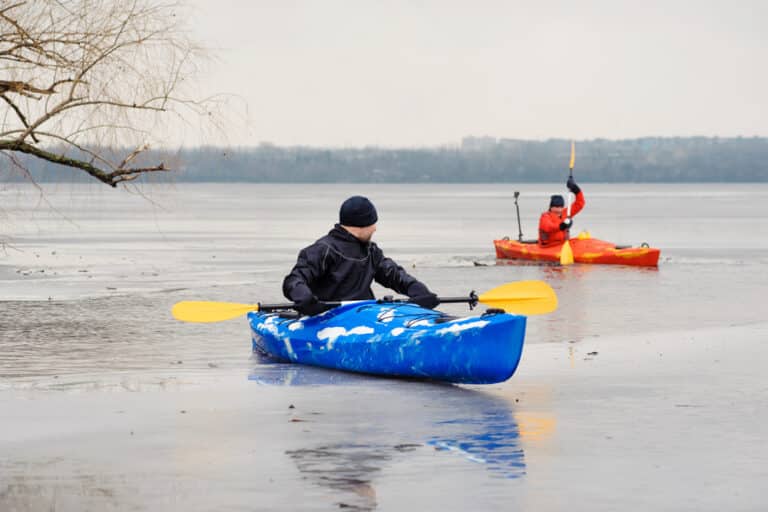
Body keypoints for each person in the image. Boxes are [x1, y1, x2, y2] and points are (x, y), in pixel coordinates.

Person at [282, 195, 439, 316]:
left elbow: (393, 275)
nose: (375, 229)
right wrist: (303, 296)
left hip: (362, 315)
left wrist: (417, 290)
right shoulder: (322, 250)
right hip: (325, 316)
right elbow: (294, 280)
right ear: (360, 225)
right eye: (372, 224)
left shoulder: (371, 251)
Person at [538, 176, 585, 246]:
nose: (559, 209)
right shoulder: (545, 216)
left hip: (563, 245)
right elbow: (548, 227)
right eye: (556, 206)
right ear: (551, 207)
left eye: (561, 206)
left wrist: (576, 189)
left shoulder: (566, 212)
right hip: (548, 246)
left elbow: (580, 203)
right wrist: (561, 226)